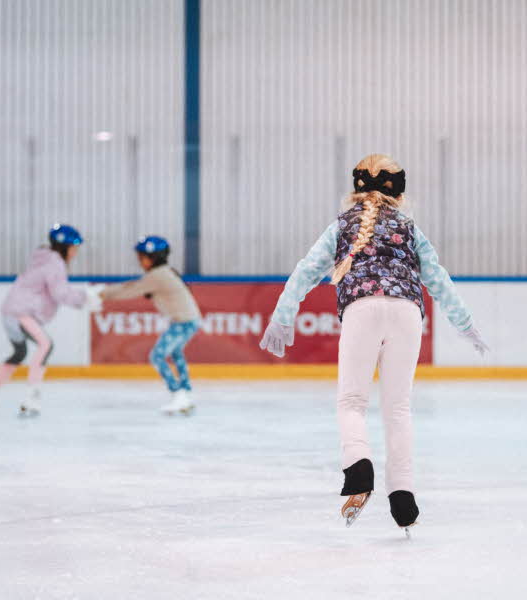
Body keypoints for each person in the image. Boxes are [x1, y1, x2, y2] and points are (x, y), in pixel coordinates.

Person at [259, 154, 489, 534]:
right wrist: (465, 323)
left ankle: (358, 464)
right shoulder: (410, 228)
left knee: (352, 402)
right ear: (399, 192)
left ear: (355, 188)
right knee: (398, 409)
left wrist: (283, 316)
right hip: (407, 312)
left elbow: (305, 271)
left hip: (362, 309)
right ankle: (402, 497)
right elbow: (439, 280)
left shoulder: (341, 227)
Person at [0, 224, 102, 416]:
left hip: (9, 312)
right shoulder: (55, 263)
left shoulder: (42, 259)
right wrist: (85, 297)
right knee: (46, 345)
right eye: (74, 248)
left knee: (19, 353)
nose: (76, 253)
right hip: (22, 314)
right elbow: (60, 293)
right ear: (64, 247)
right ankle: (31, 398)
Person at [99, 236, 202, 415]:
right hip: (188, 320)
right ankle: (185, 393)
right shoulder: (162, 273)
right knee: (176, 353)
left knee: (157, 356)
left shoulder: (158, 276)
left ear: (154, 257)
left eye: (142, 257)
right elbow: (134, 286)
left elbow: (131, 290)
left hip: (184, 322)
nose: (140, 262)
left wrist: (103, 293)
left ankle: (178, 393)